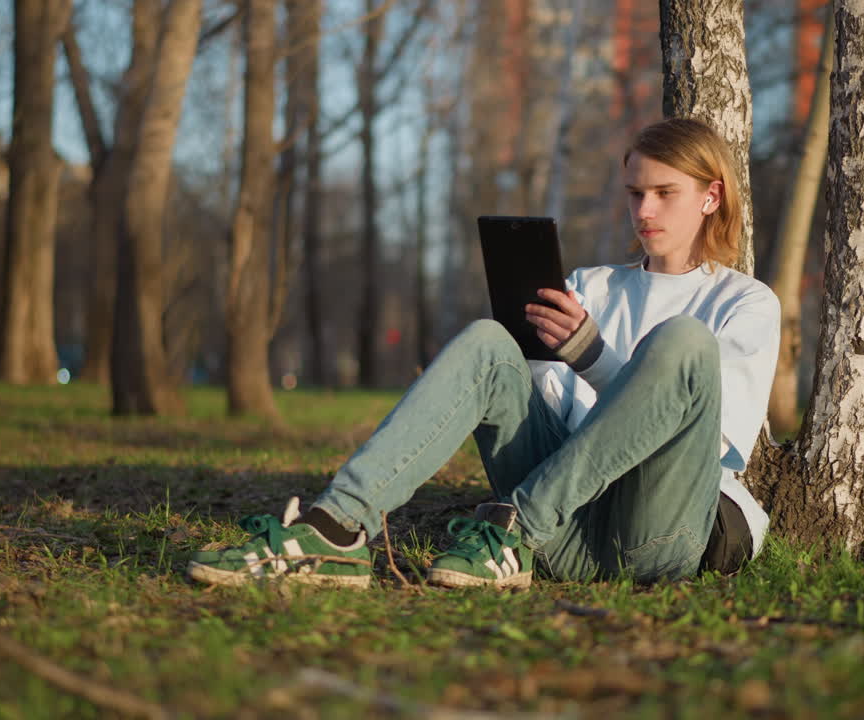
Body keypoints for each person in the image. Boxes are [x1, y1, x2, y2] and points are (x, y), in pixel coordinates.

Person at [187, 118, 780, 589]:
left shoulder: (745, 303)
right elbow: (549, 416)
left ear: (710, 197)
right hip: (561, 535)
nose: (644, 210)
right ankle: (337, 530)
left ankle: (513, 527)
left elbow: (704, 438)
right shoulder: (592, 286)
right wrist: (545, 358)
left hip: (656, 531)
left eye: (664, 193)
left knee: (681, 341)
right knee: (489, 341)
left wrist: (592, 354)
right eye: (634, 193)